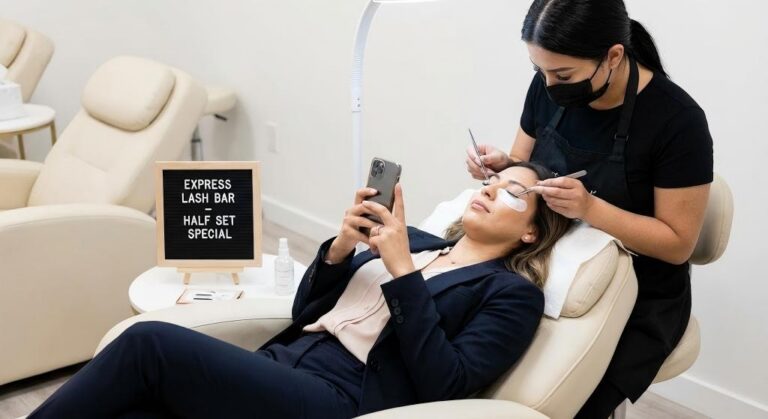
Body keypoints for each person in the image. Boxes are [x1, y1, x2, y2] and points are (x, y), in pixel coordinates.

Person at [30, 162, 571, 419]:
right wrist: (339, 248)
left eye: (512, 193)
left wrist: (403, 271)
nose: (490, 192)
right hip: (286, 364)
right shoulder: (422, 241)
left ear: (531, 231)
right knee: (137, 412)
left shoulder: (511, 295)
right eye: (489, 184)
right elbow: (304, 309)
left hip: (344, 399)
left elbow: (448, 382)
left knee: (149, 343)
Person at [465, 1, 714, 417]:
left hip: (638, 289)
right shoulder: (549, 87)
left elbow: (677, 245)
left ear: (613, 56)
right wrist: (504, 168)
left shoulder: (677, 122)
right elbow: (525, 171)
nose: (548, 85)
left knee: (564, 403)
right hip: (542, 260)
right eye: (539, 71)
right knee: (468, 363)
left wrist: (590, 207)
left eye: (562, 75)